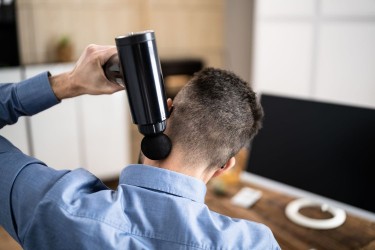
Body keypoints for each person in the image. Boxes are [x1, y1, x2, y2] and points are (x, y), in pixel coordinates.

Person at [0, 44, 280, 249]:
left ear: (165, 110)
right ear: (226, 165)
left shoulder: (57, 206)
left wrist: (69, 83)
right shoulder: (254, 244)